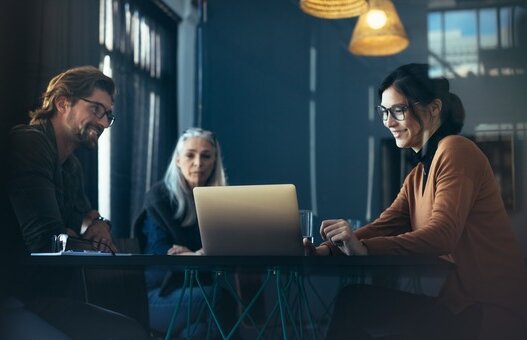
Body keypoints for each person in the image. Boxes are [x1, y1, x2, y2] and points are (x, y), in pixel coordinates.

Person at [305, 63, 527, 340]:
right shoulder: (417, 174)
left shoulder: (455, 149)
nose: (388, 121)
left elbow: (442, 235)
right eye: (384, 112)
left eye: (398, 110)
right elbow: (383, 226)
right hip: (459, 306)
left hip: (490, 310)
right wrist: (327, 249)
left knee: (356, 303)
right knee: (356, 301)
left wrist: (362, 248)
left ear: (433, 109)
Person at [6, 65, 149, 339]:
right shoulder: (29, 143)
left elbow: (84, 220)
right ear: (62, 103)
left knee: (131, 331)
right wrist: (75, 233)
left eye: (108, 114)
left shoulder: (71, 165)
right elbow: (45, 241)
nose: (105, 123)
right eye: (96, 109)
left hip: (38, 295)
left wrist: (97, 225)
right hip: (11, 297)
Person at [133, 127, 231, 336]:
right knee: (218, 297)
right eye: (190, 155)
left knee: (198, 332)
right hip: (159, 296)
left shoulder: (220, 200)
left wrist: (192, 255)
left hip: (196, 295)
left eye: (206, 156)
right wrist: (198, 256)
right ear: (178, 160)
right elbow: (160, 251)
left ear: (215, 161)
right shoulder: (160, 196)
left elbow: (226, 250)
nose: (198, 163)